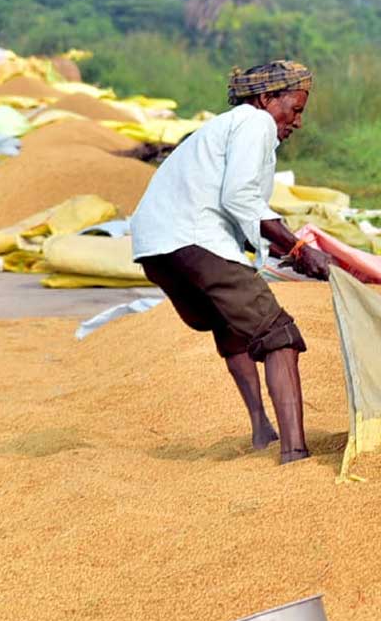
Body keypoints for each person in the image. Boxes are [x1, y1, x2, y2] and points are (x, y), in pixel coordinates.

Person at [130, 60, 333, 465]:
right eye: (295, 109)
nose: (298, 121)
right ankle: (294, 453)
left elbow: (239, 207)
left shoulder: (226, 128)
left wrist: (281, 250)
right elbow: (239, 198)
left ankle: (262, 430)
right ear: (266, 98)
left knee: (233, 325)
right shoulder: (253, 123)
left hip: (156, 248)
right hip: (193, 238)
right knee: (279, 335)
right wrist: (296, 247)